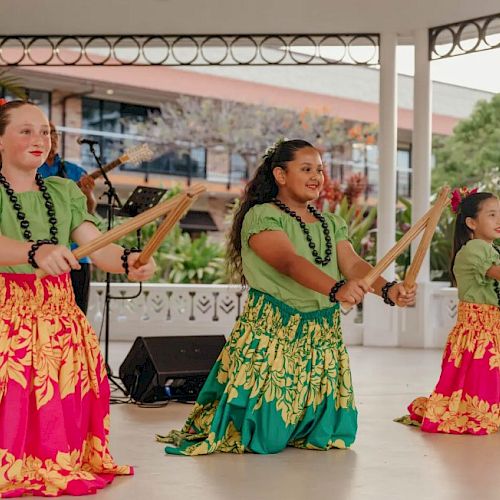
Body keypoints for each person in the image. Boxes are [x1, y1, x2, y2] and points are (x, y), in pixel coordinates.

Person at [157, 139, 416, 455]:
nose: (316, 177)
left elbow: (353, 264)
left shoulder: (330, 222)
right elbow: (289, 262)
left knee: (325, 437)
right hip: (274, 329)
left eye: (319, 170)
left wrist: (387, 289)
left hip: (321, 332)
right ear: (280, 175)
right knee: (265, 437)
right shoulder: (262, 216)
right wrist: (336, 289)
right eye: (306, 169)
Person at [0, 99, 155, 496]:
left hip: (59, 314)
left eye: (46, 131)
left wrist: (127, 260)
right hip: (7, 313)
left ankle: (54, 457)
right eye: (26, 130)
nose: (41, 139)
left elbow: (95, 245)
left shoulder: (63, 190)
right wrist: (34, 252)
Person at [397, 189, 500, 434]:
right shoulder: (475, 248)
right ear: (471, 223)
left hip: (490, 329)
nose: (499, 221)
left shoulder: (489, 249)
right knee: (479, 399)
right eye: (493, 215)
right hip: (479, 332)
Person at [38, 123, 96, 314]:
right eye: (46, 132)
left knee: (77, 315)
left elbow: (88, 211)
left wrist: (88, 195)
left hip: (78, 255)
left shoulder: (74, 171)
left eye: (53, 133)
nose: (51, 138)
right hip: (44, 255)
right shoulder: (31, 171)